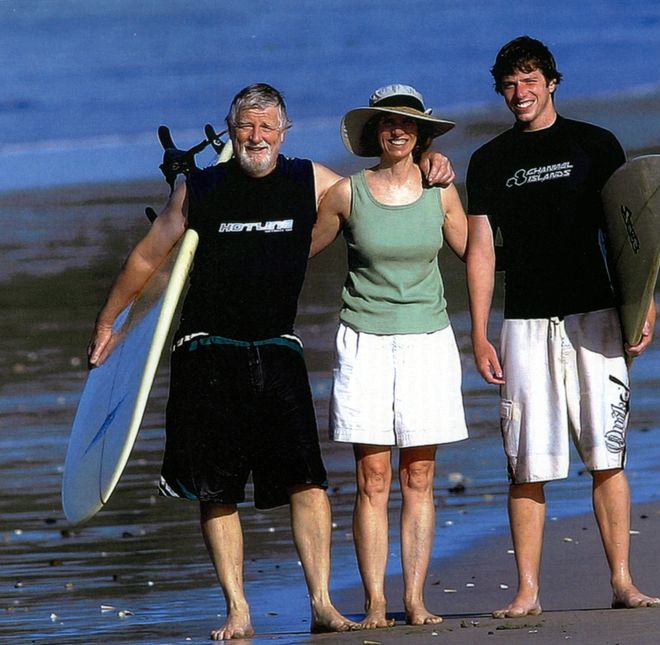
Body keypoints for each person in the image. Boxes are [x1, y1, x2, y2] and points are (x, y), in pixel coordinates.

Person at [87, 83, 453, 641]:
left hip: (279, 347)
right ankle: (238, 608)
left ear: (285, 132)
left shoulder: (311, 180)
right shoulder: (199, 188)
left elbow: (379, 184)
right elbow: (147, 255)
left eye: (267, 127)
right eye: (246, 126)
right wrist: (109, 321)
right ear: (230, 130)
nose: (256, 136)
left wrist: (425, 159)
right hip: (207, 347)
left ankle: (323, 603)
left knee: (307, 481)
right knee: (217, 490)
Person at [465, 36, 660, 618]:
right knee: (527, 462)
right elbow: (479, 249)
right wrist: (479, 331)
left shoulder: (596, 145)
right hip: (524, 321)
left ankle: (623, 581)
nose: (519, 92)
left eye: (529, 80)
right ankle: (527, 590)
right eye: (509, 83)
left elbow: (630, 233)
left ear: (552, 81)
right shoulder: (490, 160)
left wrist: (645, 301)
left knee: (608, 453)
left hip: (597, 314)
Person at [310, 84, 468, 629]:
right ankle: (376, 601)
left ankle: (417, 600)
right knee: (373, 477)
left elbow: (478, 252)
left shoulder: (442, 191)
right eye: (386, 123)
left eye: (407, 124)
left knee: (418, 477)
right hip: (365, 341)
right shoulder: (347, 194)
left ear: (421, 134)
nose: (396, 131)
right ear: (374, 133)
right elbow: (293, 252)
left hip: (429, 341)